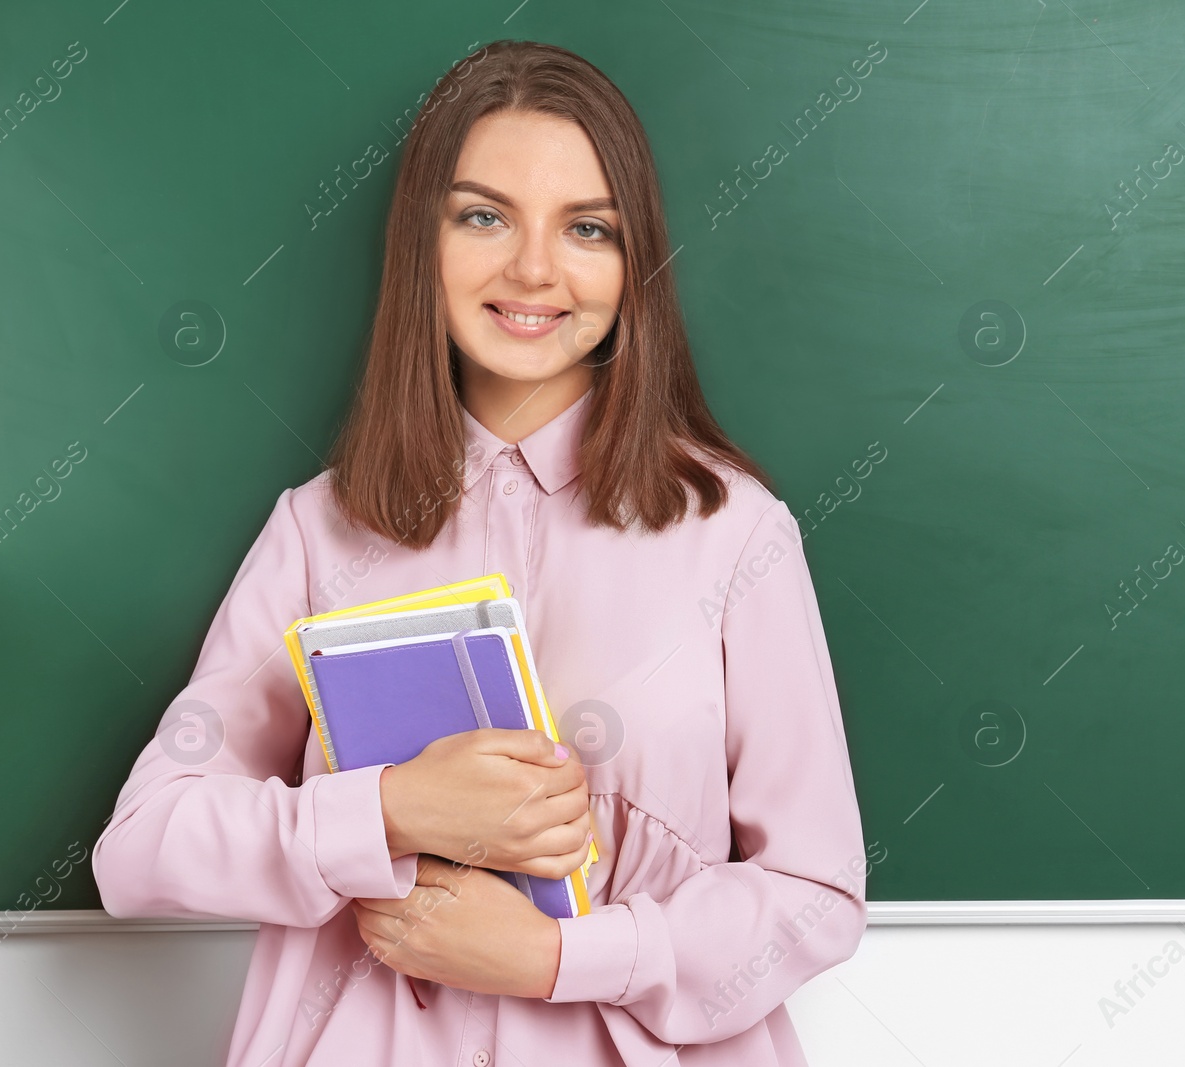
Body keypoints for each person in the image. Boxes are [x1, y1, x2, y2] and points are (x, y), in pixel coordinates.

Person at [92, 39, 868, 1067]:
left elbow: (815, 892)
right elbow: (143, 843)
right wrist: (392, 808)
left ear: (636, 264)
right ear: (425, 242)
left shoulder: (734, 532)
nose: (534, 269)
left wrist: (560, 955)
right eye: (483, 215)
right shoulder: (320, 530)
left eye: (587, 227)